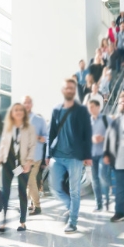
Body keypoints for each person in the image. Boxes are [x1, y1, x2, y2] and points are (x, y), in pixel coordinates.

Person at [48, 78, 92, 233]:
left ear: (75, 91)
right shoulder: (56, 109)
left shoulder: (81, 110)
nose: (69, 90)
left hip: (75, 157)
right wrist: (48, 154)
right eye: (67, 88)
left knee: (74, 190)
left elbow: (87, 134)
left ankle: (73, 221)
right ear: (63, 90)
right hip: (57, 156)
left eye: (72, 88)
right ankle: (71, 207)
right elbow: (51, 132)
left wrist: (88, 155)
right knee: (55, 187)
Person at [0, 102, 37, 232]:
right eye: (15, 110)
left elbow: (33, 146)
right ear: (11, 113)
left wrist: (29, 162)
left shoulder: (29, 128)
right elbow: (2, 146)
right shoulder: (8, 128)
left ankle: (22, 222)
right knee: (5, 193)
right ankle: (4, 222)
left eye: (20, 110)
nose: (18, 112)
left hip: (22, 166)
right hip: (8, 164)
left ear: (24, 113)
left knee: (22, 192)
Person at [22, 96, 47, 216]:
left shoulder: (39, 120)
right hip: (22, 158)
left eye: (28, 102)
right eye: (24, 103)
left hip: (35, 157)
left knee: (31, 181)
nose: (26, 105)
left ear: (31, 104)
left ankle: (37, 206)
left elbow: (46, 137)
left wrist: (37, 137)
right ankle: (26, 203)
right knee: (24, 180)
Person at [88, 99, 110, 212]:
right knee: (94, 180)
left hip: (103, 153)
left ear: (98, 107)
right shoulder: (88, 121)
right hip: (92, 154)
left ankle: (106, 201)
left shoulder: (106, 119)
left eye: (92, 106)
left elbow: (114, 135)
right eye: (89, 107)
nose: (90, 109)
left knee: (102, 176)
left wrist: (103, 138)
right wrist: (92, 138)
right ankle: (98, 204)